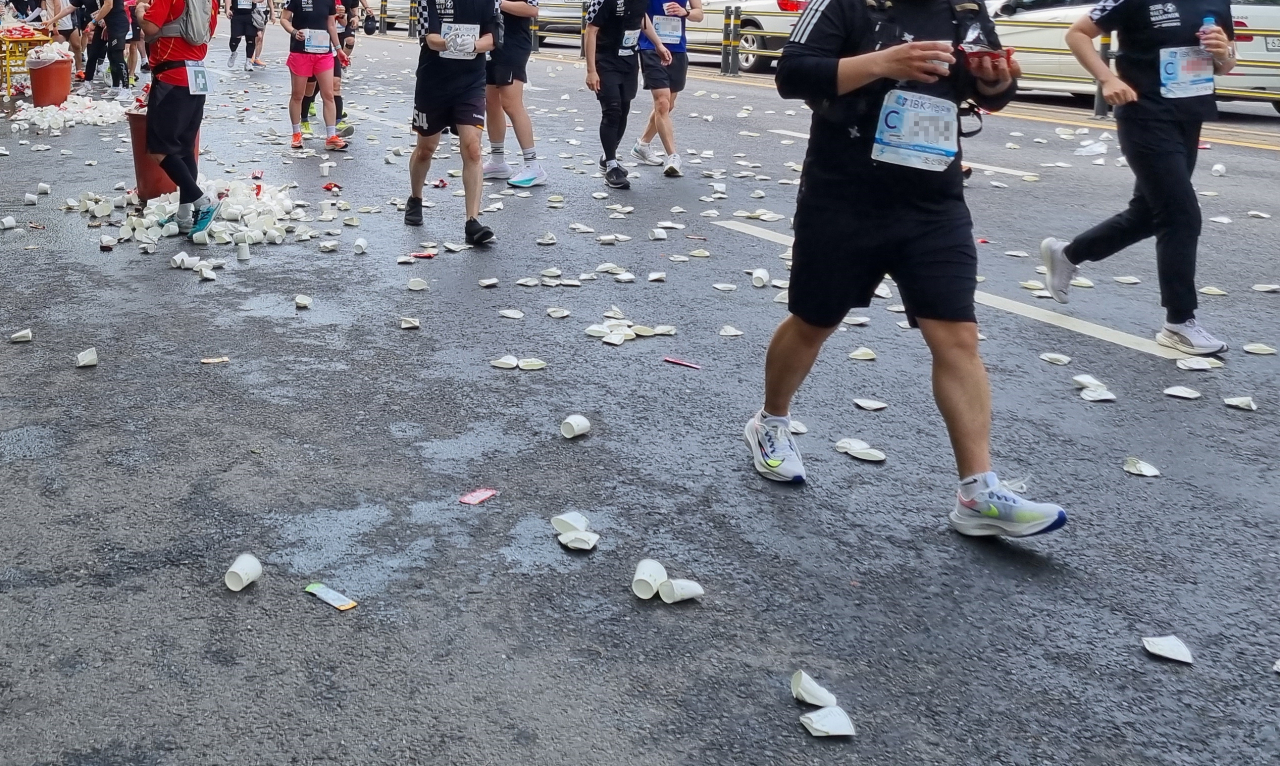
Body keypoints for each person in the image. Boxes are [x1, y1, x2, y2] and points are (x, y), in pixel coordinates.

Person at [744, 0, 1069, 539]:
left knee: (957, 335)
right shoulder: (843, 5)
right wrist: (883, 63)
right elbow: (792, 73)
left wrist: (993, 81)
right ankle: (770, 423)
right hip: (844, 196)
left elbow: (987, 89)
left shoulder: (962, 9)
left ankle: (978, 491)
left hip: (931, 201)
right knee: (814, 320)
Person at [1041, 1, 1235, 356]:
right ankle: (1179, 323)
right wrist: (1108, 78)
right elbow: (1078, 34)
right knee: (1181, 215)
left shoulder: (1215, 2)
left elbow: (1225, 64)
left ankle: (1067, 254)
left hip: (1188, 115)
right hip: (1143, 114)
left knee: (1147, 214)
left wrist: (1223, 54)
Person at [403, 0, 499, 245]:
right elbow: (429, 36)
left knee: (473, 149)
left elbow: (494, 35)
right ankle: (415, 198)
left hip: (471, 82)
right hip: (433, 80)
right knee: (426, 149)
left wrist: (475, 45)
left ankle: (472, 222)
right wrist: (450, 43)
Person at [137, 0, 222, 238]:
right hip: (198, 75)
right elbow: (207, 33)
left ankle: (202, 202)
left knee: (159, 148)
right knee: (184, 149)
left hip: (172, 76)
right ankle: (184, 216)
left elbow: (151, 28)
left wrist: (140, 12)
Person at [583, 0, 669, 189]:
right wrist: (591, 70)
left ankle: (608, 157)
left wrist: (658, 44)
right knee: (612, 110)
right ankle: (612, 167)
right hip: (605, 59)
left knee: (624, 107)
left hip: (629, 60)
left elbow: (641, 17)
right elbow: (591, 30)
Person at [481, 0, 547, 188]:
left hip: (512, 45)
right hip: (489, 42)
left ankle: (533, 165)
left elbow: (532, 10)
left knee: (511, 103)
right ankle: (497, 161)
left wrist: (498, 2)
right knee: (490, 101)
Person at [630, 0, 700, 177]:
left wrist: (685, 12)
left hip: (677, 48)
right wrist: (657, 42)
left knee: (668, 105)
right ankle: (673, 157)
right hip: (651, 47)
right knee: (662, 103)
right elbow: (639, 12)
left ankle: (642, 145)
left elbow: (699, 14)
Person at [281, 0, 348, 150]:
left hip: (323, 53)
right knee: (298, 95)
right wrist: (293, 31)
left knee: (328, 94)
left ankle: (331, 136)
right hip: (300, 53)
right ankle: (296, 134)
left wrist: (338, 49)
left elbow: (331, 25)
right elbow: (284, 18)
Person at [225, 0, 255, 70]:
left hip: (251, 14)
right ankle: (233, 52)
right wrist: (227, 9)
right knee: (235, 38)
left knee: (250, 38)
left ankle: (248, 62)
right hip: (237, 14)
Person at [251, 0, 270, 65]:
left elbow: (270, 1)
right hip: (254, 11)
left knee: (261, 37)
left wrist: (272, 13)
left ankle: (257, 58)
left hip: (263, 12)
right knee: (254, 36)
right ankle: (251, 56)